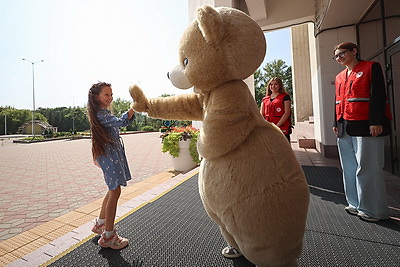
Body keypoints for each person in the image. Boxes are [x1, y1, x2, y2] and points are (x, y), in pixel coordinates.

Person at [332, 42, 392, 222]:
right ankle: (355, 204)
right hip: (344, 127)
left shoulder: (371, 67)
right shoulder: (340, 76)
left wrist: (376, 121)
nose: (339, 58)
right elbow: (337, 101)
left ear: (354, 51)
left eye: (342, 53)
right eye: (336, 56)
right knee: (349, 168)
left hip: (366, 125)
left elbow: (378, 96)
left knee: (368, 168)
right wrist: (335, 122)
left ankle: (373, 210)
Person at [87, 82, 135, 249]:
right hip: (109, 156)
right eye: (106, 94)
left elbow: (121, 123)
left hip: (110, 155)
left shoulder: (101, 113)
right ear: (96, 97)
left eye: (111, 94)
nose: (110, 97)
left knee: (112, 188)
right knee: (115, 191)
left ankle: (101, 223)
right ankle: (108, 235)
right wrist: (132, 109)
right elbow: (121, 122)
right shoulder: (101, 114)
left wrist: (130, 114)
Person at [260, 77, 292, 142]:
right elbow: (261, 115)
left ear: (280, 86)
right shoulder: (265, 99)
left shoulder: (285, 97)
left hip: (282, 128)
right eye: (271, 84)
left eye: (276, 84)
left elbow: (287, 113)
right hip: (268, 129)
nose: (273, 86)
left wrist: (276, 126)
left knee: (284, 150)